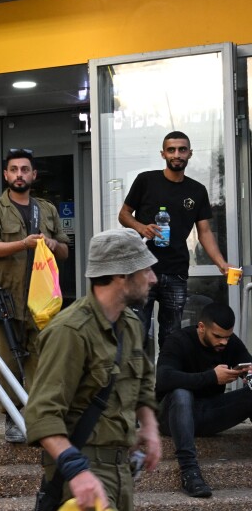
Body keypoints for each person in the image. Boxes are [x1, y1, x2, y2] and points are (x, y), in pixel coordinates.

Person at [25, 228, 162, 511]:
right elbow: (41, 413)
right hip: (82, 468)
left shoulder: (131, 325)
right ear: (121, 275)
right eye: (145, 270)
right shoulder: (70, 331)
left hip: (121, 468)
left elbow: (144, 383)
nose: (153, 278)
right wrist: (77, 471)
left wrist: (149, 427)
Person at [0, 147, 69, 443]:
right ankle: (13, 420)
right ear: (6, 175)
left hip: (41, 300)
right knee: (7, 363)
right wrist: (24, 244)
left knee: (42, 362)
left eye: (25, 169)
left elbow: (66, 250)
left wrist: (52, 244)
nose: (19, 175)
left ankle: (41, 418)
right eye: (14, 170)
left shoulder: (47, 209)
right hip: (3, 298)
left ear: (33, 175)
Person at [119, 131, 232, 351]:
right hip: (142, 269)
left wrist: (221, 263)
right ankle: (136, 385)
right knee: (136, 333)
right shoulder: (146, 180)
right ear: (163, 154)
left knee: (172, 336)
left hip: (176, 271)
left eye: (182, 149)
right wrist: (141, 227)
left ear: (190, 153)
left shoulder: (197, 191)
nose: (177, 154)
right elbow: (124, 215)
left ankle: (166, 384)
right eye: (171, 150)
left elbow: (205, 232)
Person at [155, 301, 252, 498]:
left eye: (227, 337)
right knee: (181, 393)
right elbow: (164, 378)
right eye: (217, 336)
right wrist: (211, 377)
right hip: (171, 416)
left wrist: (248, 373)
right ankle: (189, 472)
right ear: (201, 327)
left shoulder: (229, 342)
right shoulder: (178, 341)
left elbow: (247, 362)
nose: (223, 342)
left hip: (208, 415)